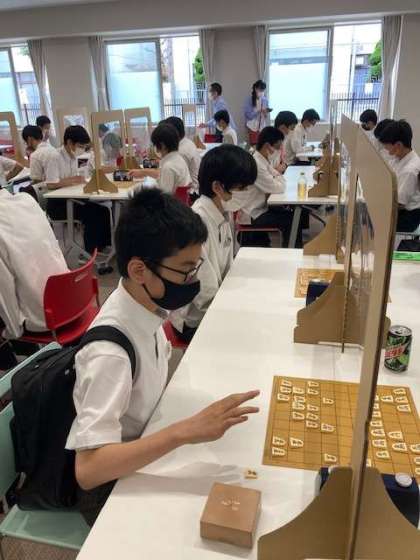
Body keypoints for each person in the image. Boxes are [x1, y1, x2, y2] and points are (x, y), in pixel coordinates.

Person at [65, 187, 259, 525]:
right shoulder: (110, 354)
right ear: (139, 270)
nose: (193, 280)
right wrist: (182, 432)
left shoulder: (146, 306)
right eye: (186, 270)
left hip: (144, 446)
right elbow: (89, 471)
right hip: (111, 487)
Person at [170, 145, 257, 342]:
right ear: (217, 187)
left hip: (216, 302)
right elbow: (205, 293)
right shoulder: (196, 224)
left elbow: (228, 265)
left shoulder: (223, 212)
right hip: (195, 320)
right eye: (241, 188)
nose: (246, 193)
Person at [0, 184, 68, 342]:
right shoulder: (27, 200)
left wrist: (13, 332)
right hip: (71, 298)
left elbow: (4, 287)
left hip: (42, 319)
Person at [45, 125, 111, 254]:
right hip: (58, 204)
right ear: (70, 142)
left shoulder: (77, 157)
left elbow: (82, 176)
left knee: (103, 210)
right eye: (80, 146)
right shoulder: (54, 157)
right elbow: (50, 184)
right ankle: (91, 251)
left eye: (84, 146)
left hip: (73, 198)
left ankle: (103, 245)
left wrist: (83, 180)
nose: (82, 149)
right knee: (92, 213)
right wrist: (72, 180)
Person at [239, 126, 299, 248]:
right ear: (267, 146)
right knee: (291, 220)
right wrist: (277, 176)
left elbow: (278, 177)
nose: (279, 151)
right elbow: (279, 187)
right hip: (253, 213)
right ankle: (292, 251)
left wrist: (277, 176)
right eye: (277, 147)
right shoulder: (257, 164)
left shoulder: (262, 160)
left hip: (260, 207)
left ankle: (294, 248)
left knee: (292, 214)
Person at [379, 120, 420, 232]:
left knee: (372, 222)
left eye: (387, 147)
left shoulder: (410, 170)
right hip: (399, 208)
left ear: (398, 145)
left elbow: (399, 203)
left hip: (408, 217)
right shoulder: (398, 157)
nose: (386, 150)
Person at [129, 123, 191, 193]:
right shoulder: (178, 159)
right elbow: (162, 175)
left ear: (162, 145)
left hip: (171, 199)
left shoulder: (168, 167)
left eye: (155, 144)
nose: (155, 148)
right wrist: (144, 172)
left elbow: (164, 196)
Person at [164, 116, 201, 193]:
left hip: (191, 192)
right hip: (195, 187)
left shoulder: (180, 151)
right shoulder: (187, 142)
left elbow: (174, 177)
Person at [244, 80, 271, 144]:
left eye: (263, 90)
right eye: (260, 90)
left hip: (262, 126)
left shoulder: (265, 100)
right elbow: (248, 115)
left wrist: (265, 112)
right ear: (255, 89)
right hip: (252, 126)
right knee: (253, 145)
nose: (261, 92)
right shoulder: (249, 99)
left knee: (261, 145)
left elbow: (266, 116)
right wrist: (258, 111)